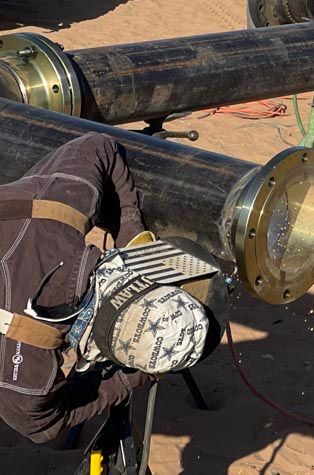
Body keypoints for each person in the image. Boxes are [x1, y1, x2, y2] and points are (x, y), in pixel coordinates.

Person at [0, 133, 208, 444]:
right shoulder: (25, 379)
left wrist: (133, 237)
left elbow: (99, 146)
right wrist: (127, 379)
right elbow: (43, 426)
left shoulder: (59, 210)